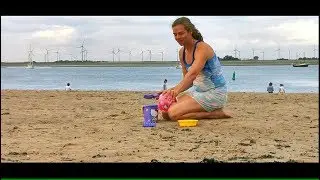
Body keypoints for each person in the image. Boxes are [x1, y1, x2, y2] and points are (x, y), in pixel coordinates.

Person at [158, 16, 231, 121]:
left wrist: (176, 92)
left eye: (181, 33)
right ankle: (205, 110)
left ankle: (216, 113)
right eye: (175, 34)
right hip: (198, 93)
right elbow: (188, 81)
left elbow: (192, 75)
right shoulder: (182, 52)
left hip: (215, 93)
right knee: (165, 112)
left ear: (190, 31)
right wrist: (171, 90)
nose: (178, 37)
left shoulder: (202, 48)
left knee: (173, 114)